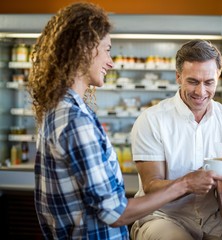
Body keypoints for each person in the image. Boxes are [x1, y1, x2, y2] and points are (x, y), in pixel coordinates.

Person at [27, 3, 204, 239]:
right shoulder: (75, 122)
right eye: (107, 50)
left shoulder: (58, 109)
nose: (110, 62)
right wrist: (187, 184)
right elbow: (116, 214)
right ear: (84, 49)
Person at [130, 39, 222, 240]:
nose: (201, 92)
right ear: (178, 77)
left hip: (212, 218)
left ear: (218, 77)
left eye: (209, 82)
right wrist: (188, 182)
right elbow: (150, 186)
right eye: (193, 81)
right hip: (162, 217)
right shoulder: (151, 120)